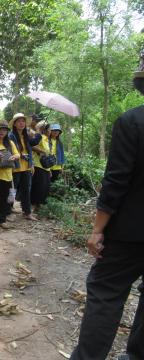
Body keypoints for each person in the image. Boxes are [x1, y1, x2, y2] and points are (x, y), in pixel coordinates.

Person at [70, 60, 144, 360]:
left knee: (106, 292)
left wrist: (98, 229)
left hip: (129, 232)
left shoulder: (132, 122)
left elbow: (116, 182)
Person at [0, 120, 20, 230]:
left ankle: (2, 220)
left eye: (4, 130)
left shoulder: (10, 143)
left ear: (7, 131)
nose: (1, 132)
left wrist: (14, 157)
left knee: (4, 199)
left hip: (6, 175)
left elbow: (18, 154)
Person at [9, 113, 40, 221]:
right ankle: (8, 210)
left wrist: (31, 164)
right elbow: (9, 151)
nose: (21, 123)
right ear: (14, 124)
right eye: (19, 121)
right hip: (15, 167)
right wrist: (20, 155)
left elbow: (32, 146)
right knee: (12, 189)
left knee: (26, 190)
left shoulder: (26, 135)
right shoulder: (10, 136)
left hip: (26, 167)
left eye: (23, 121)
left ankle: (27, 212)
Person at [30, 120, 51, 212]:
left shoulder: (47, 139)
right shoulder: (40, 137)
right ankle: (34, 206)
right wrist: (42, 151)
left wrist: (49, 169)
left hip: (46, 167)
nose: (50, 131)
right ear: (44, 129)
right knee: (38, 187)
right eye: (49, 129)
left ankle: (39, 206)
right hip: (38, 165)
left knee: (45, 187)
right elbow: (32, 146)